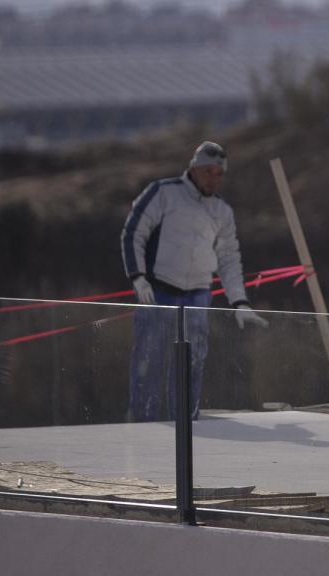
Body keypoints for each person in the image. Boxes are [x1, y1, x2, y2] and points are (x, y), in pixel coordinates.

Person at [121, 140, 268, 422]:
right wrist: (137, 277)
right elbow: (134, 232)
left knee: (193, 362)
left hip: (198, 294)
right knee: (149, 361)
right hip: (159, 290)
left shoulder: (222, 211)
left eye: (219, 173)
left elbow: (229, 259)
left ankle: (186, 423)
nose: (213, 178)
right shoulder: (164, 192)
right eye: (208, 171)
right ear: (193, 169)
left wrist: (239, 301)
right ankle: (143, 425)